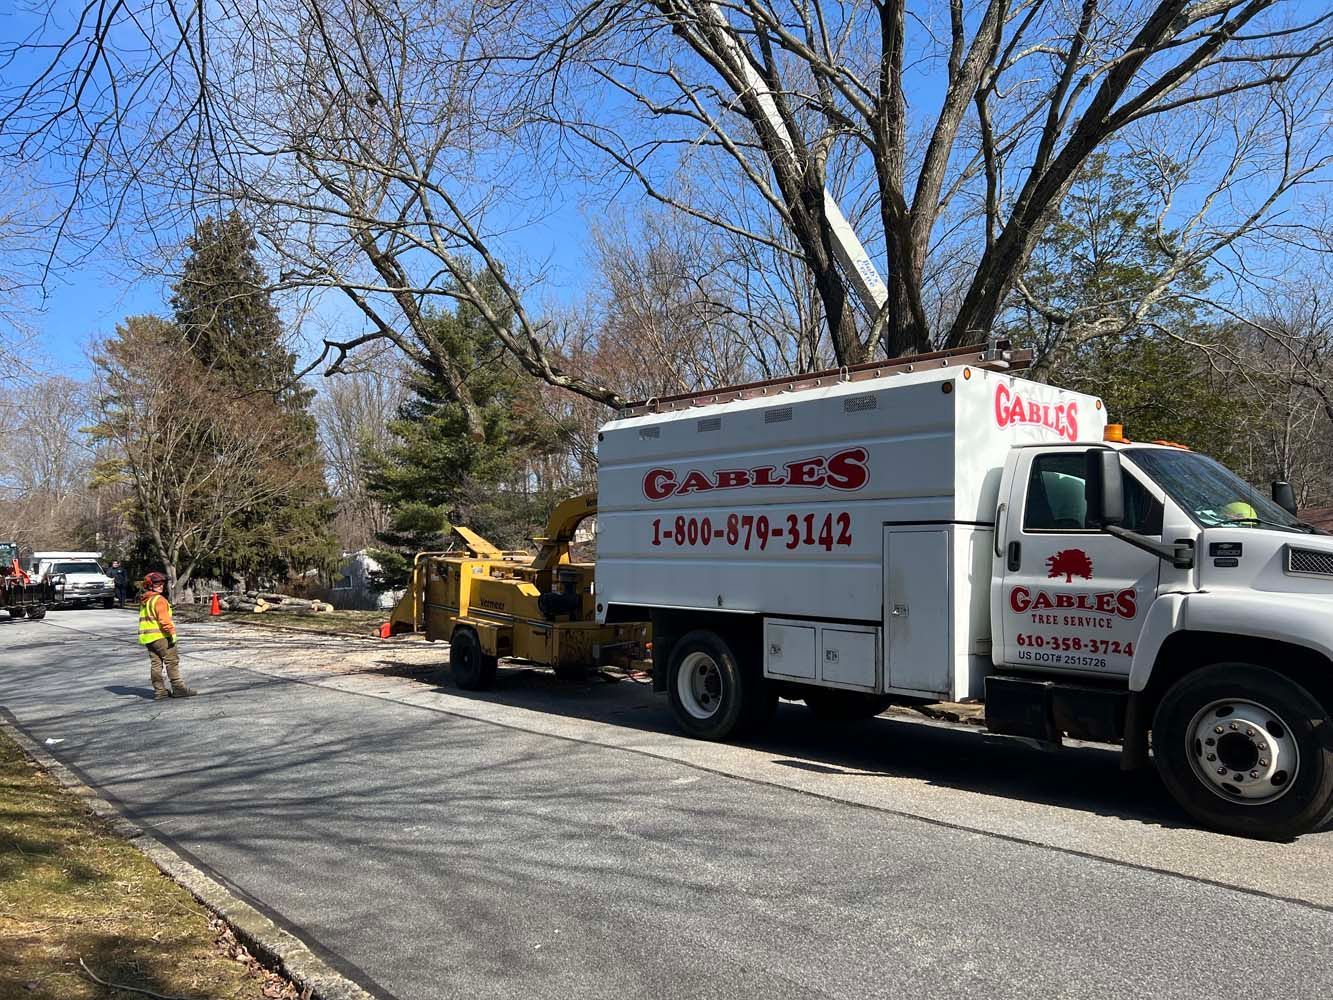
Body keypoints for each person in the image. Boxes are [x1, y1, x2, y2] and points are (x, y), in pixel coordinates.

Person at [138, 572, 197, 700]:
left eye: (162, 583)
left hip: (148, 638)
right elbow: (164, 620)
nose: (161, 586)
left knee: (156, 664)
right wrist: (172, 634)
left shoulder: (146, 599)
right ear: (149, 585)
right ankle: (178, 688)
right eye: (157, 583)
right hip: (161, 637)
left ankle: (160, 691)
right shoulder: (159, 600)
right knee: (172, 662)